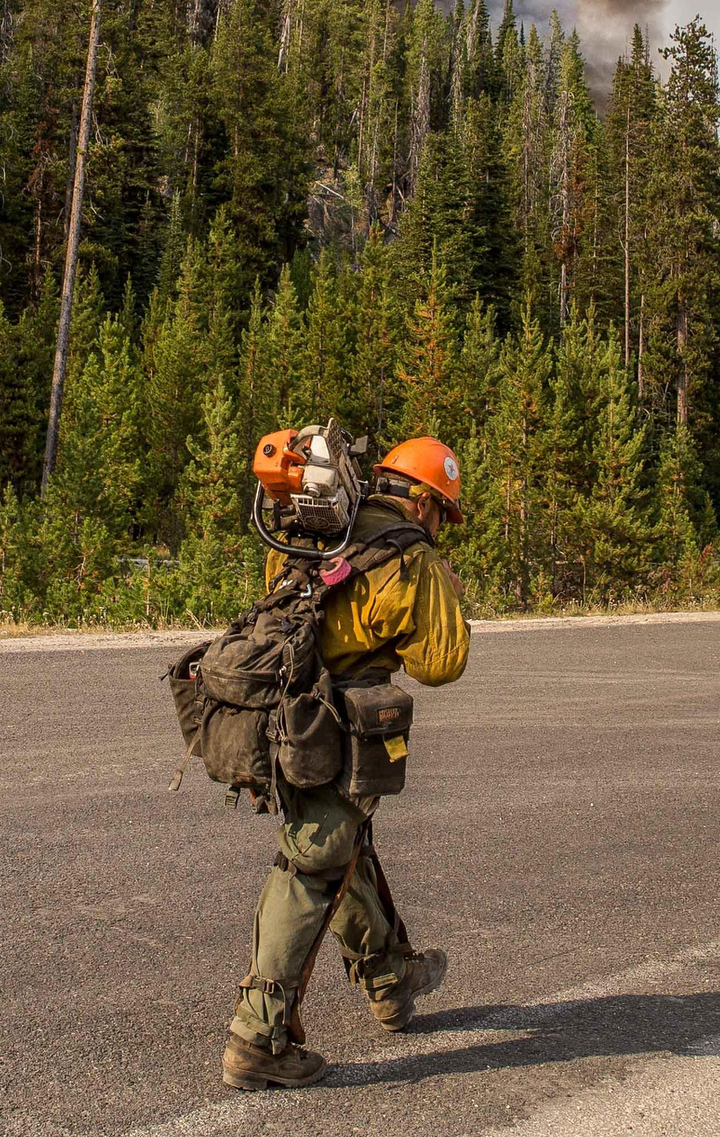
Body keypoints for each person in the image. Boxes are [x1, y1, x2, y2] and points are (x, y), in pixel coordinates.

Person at [222, 436, 470, 1092]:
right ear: (421, 499)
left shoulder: (312, 531)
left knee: (340, 843)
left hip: (284, 713)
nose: (442, 526)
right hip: (341, 725)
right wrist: (439, 591)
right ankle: (259, 1035)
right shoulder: (409, 555)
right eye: (442, 511)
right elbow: (441, 663)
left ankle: (390, 976)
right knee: (313, 863)